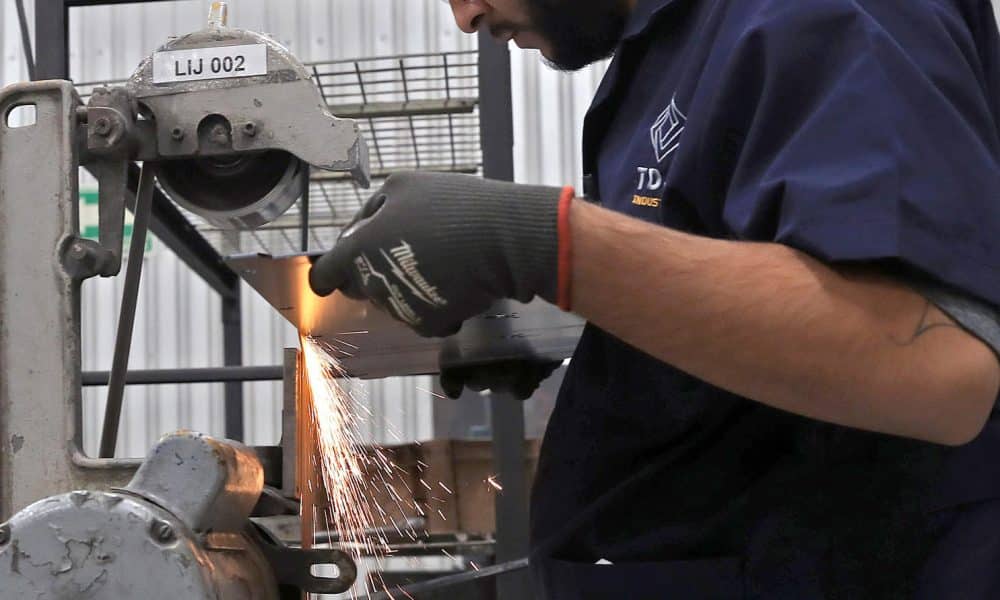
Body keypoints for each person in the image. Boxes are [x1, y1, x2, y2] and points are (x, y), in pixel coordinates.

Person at [309, 0, 1000, 597]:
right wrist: (560, 335)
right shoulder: (674, 45)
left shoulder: (825, 12)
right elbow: (739, 283)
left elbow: (935, 366)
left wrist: (539, 244)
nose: (466, 17)